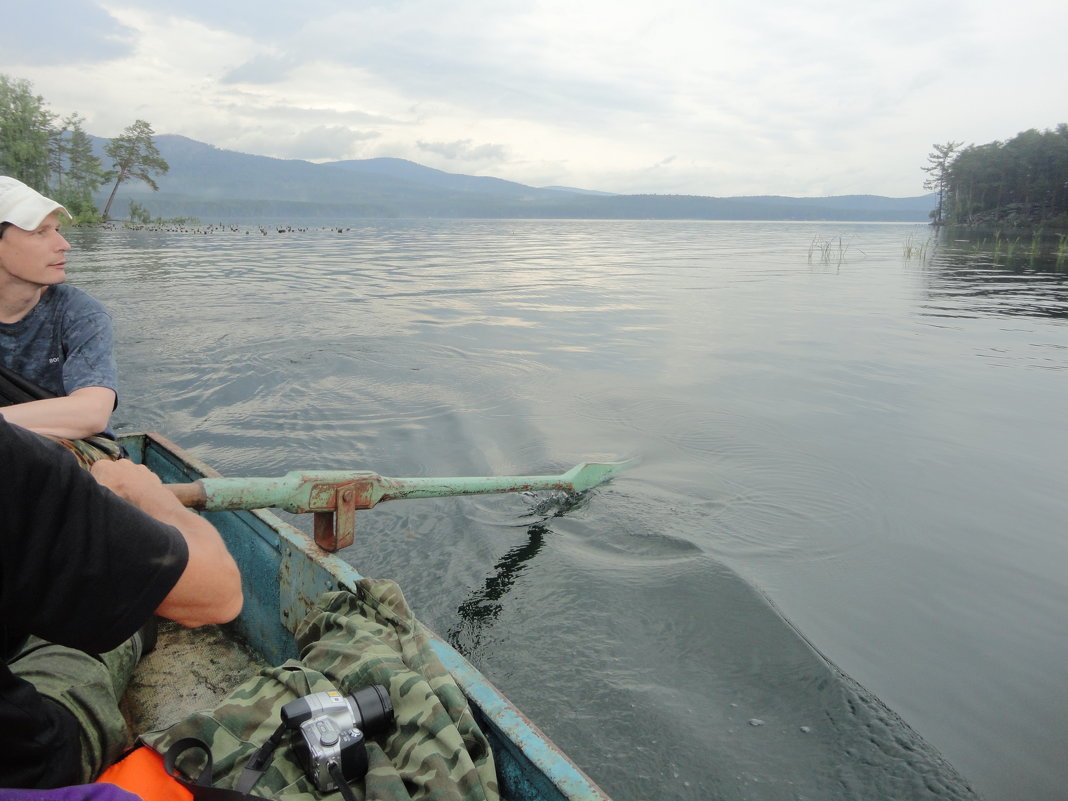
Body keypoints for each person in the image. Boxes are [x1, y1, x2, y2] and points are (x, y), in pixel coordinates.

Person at [0, 415, 244, 789]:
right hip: (22, 769)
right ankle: (137, 622)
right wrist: (148, 495)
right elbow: (221, 594)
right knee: (112, 622)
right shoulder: (14, 459)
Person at [0, 176, 117, 441]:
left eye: (57, 230)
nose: (64, 245)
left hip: (69, 451)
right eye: (40, 232)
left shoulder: (79, 314)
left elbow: (91, 413)